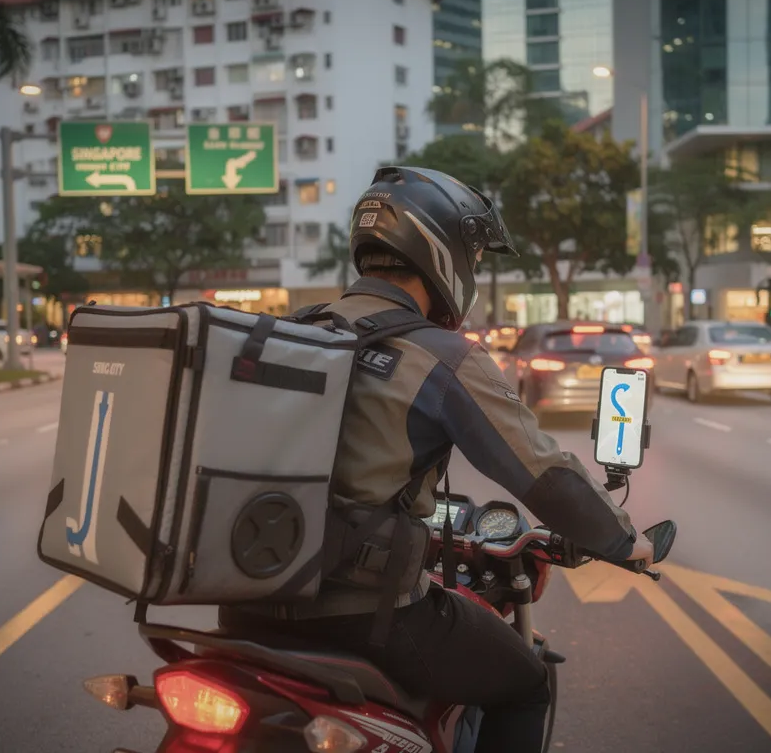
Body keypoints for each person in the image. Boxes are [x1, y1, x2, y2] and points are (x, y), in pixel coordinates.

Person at [219, 166, 651, 752]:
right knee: (526, 683)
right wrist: (623, 539)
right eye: (475, 256)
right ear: (442, 253)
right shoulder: (440, 355)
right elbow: (541, 472)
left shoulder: (288, 333)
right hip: (366, 618)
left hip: (242, 605)